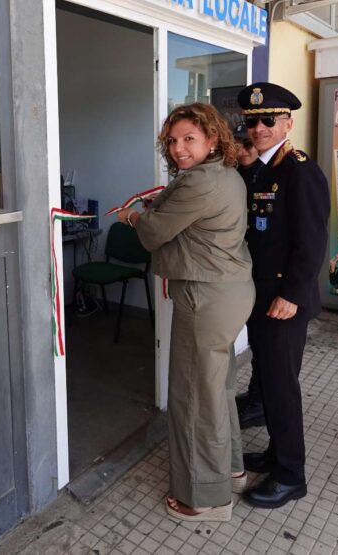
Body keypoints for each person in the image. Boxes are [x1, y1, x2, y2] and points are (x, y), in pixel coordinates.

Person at [116, 102, 254, 523]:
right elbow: (183, 210)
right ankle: (230, 469)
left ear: (213, 139)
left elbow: (155, 233)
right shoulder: (223, 174)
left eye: (189, 139)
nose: (178, 148)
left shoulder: (198, 183)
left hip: (204, 296)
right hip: (227, 292)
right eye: (173, 141)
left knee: (194, 397)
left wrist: (135, 216)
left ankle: (204, 498)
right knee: (217, 389)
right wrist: (162, 203)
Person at [232, 82, 329, 510]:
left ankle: (291, 475)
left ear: (288, 123)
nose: (259, 128)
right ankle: (275, 455)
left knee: (281, 386)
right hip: (261, 295)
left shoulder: (300, 170)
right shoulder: (260, 169)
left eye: (269, 120)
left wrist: (291, 294)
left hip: (283, 301)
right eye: (252, 121)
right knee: (268, 382)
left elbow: (312, 242)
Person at [233, 132, 267, 430]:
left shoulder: (267, 174)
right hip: (243, 266)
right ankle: (256, 397)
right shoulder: (233, 174)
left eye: (248, 146)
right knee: (256, 337)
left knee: (267, 344)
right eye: (238, 146)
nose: (243, 151)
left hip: (264, 267)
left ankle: (260, 403)